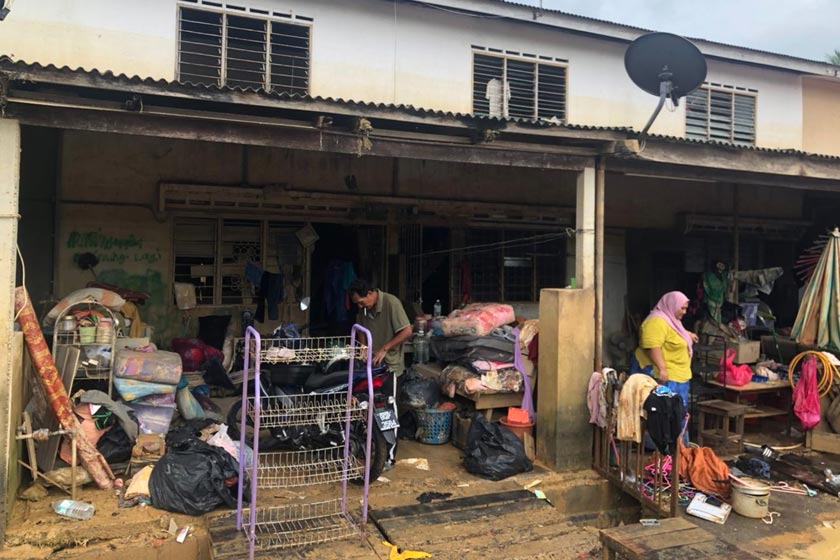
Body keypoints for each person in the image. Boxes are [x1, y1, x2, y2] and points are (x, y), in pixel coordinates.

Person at [348, 278, 412, 466]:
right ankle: (372, 451)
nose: (360, 306)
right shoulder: (364, 309)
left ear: (370, 293)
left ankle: (389, 458)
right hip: (370, 366)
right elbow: (360, 329)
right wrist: (363, 348)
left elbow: (407, 331)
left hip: (389, 366)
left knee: (387, 413)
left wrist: (385, 348)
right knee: (367, 409)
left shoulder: (391, 303)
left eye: (361, 301)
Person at [633, 291, 698, 440]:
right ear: (671, 305)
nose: (684, 312)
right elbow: (653, 346)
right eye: (682, 308)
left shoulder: (671, 320)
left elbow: (672, 332)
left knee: (677, 412)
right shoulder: (655, 322)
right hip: (666, 376)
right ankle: (664, 446)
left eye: (685, 308)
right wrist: (662, 368)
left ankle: (678, 446)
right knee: (665, 412)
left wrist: (687, 334)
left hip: (679, 376)